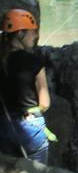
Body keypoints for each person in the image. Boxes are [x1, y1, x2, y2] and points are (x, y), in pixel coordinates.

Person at [0, 9, 51, 164]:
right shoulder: (34, 61)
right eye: (32, 32)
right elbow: (44, 104)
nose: (35, 36)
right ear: (20, 33)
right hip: (30, 127)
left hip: (3, 127)